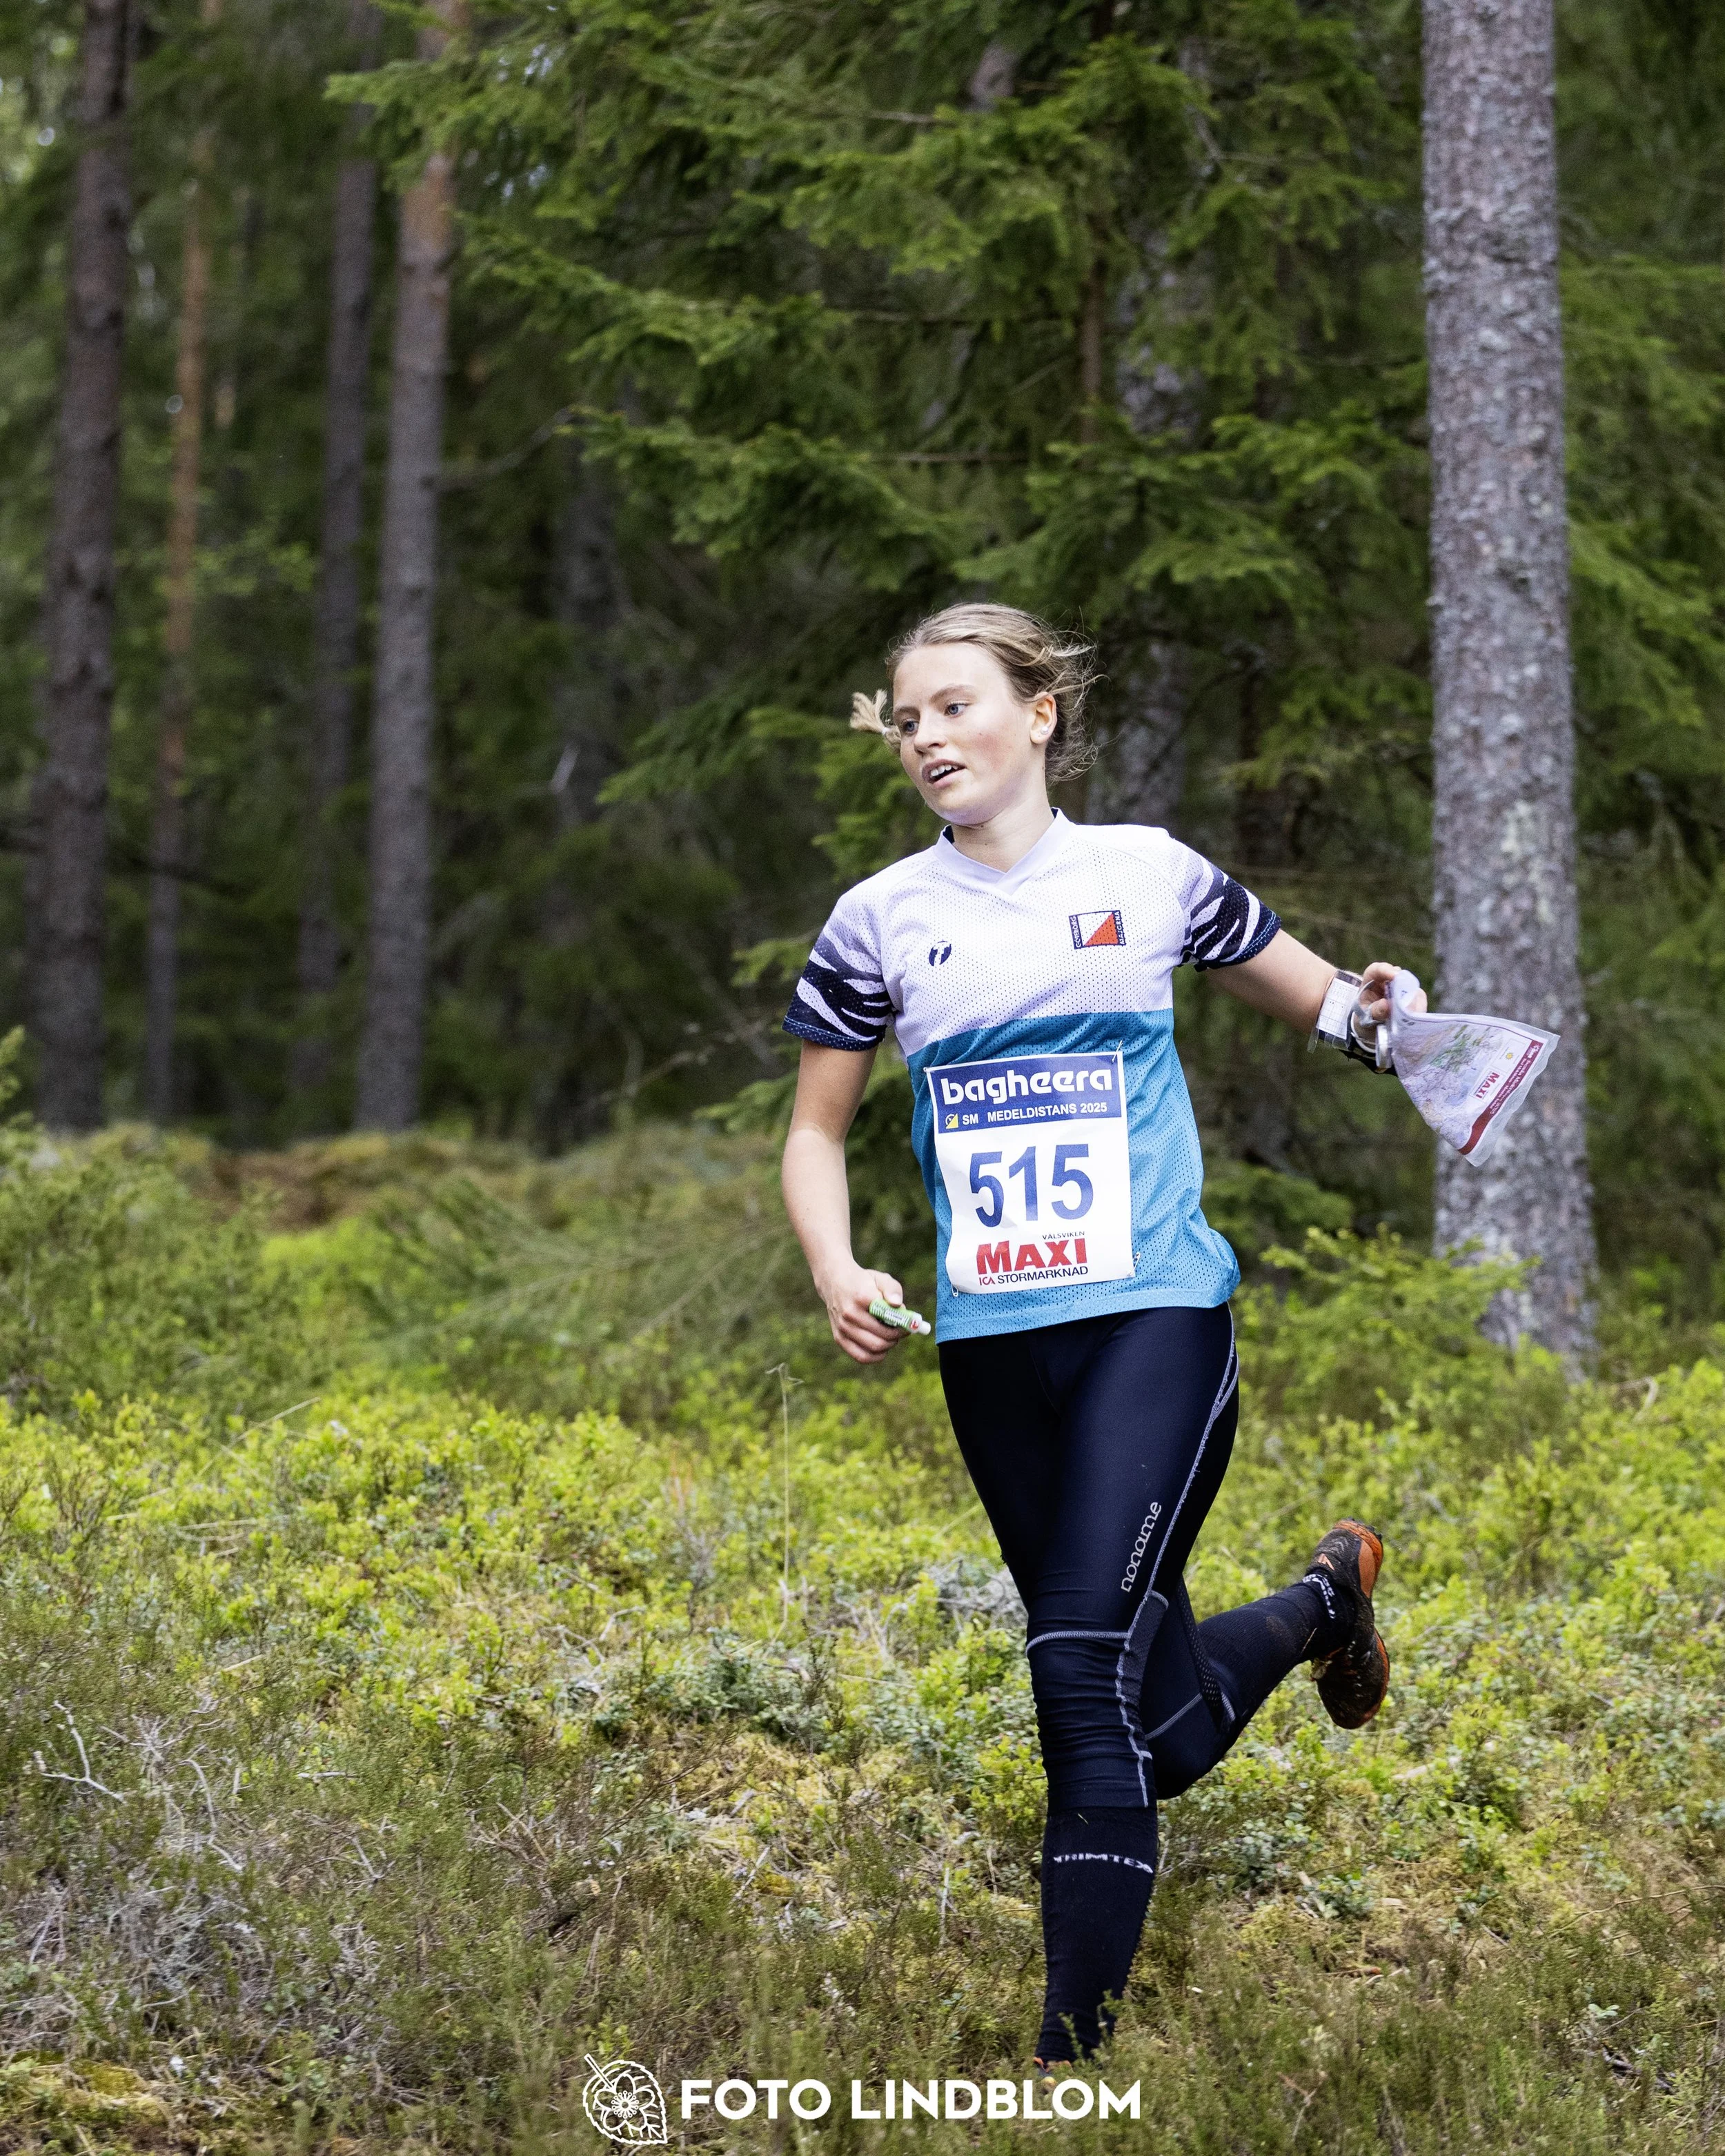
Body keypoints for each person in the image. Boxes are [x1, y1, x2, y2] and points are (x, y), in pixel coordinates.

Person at [779, 603, 1423, 2067]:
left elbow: (1335, 1006)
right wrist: (836, 1259)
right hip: (997, 1355)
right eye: (905, 717)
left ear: (1038, 712)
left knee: (1069, 1669)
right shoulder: (881, 919)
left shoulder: (1146, 874)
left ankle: (1066, 2065)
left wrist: (1390, 1015)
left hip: (1153, 1321)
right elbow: (814, 1132)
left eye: (952, 705)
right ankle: (1327, 1601)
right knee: (1157, 1727)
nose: (925, 734)